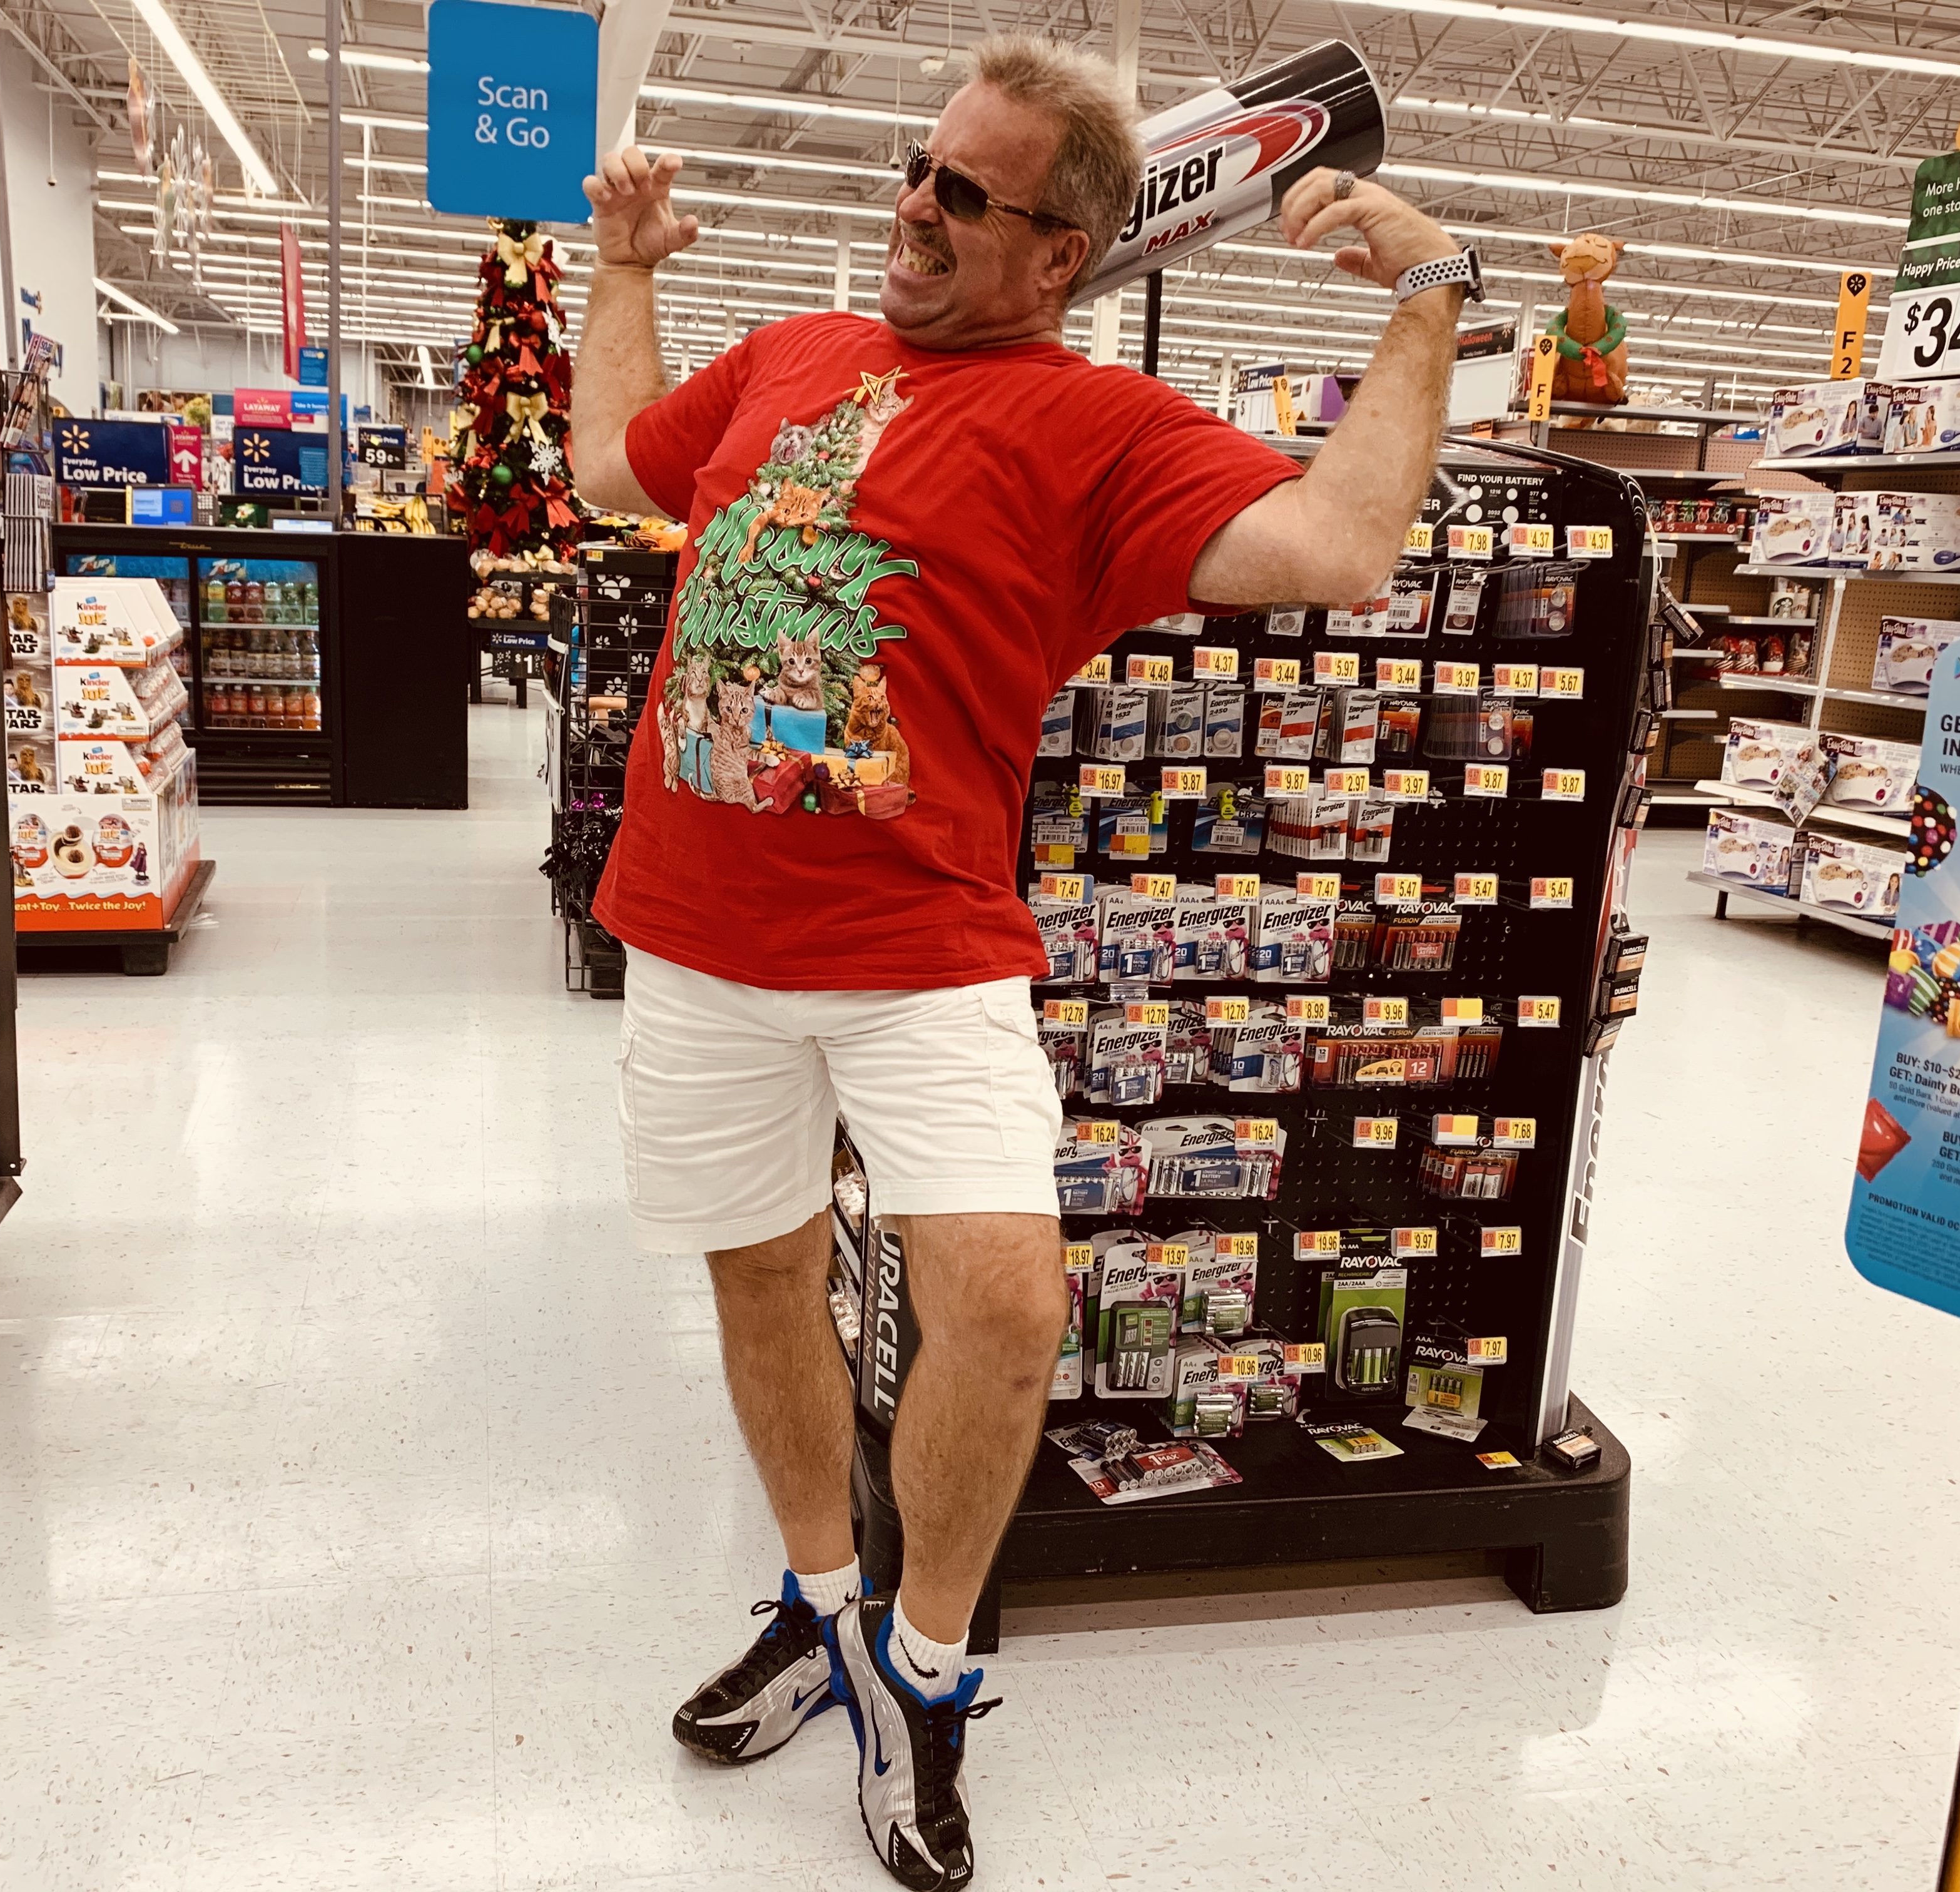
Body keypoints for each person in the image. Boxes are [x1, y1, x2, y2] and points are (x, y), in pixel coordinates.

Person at [573, 35, 1469, 1891]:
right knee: (762, 1281)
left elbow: (1343, 539)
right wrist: (628, 272)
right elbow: (606, 468)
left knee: (1002, 1305)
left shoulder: (1098, 429)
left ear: (1063, 252)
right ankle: (818, 1609)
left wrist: (1431, 296)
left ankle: (925, 1674)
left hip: (925, 952)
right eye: (921, 168)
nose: (917, 206)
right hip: (697, 936)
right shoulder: (792, 353)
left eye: (967, 194)